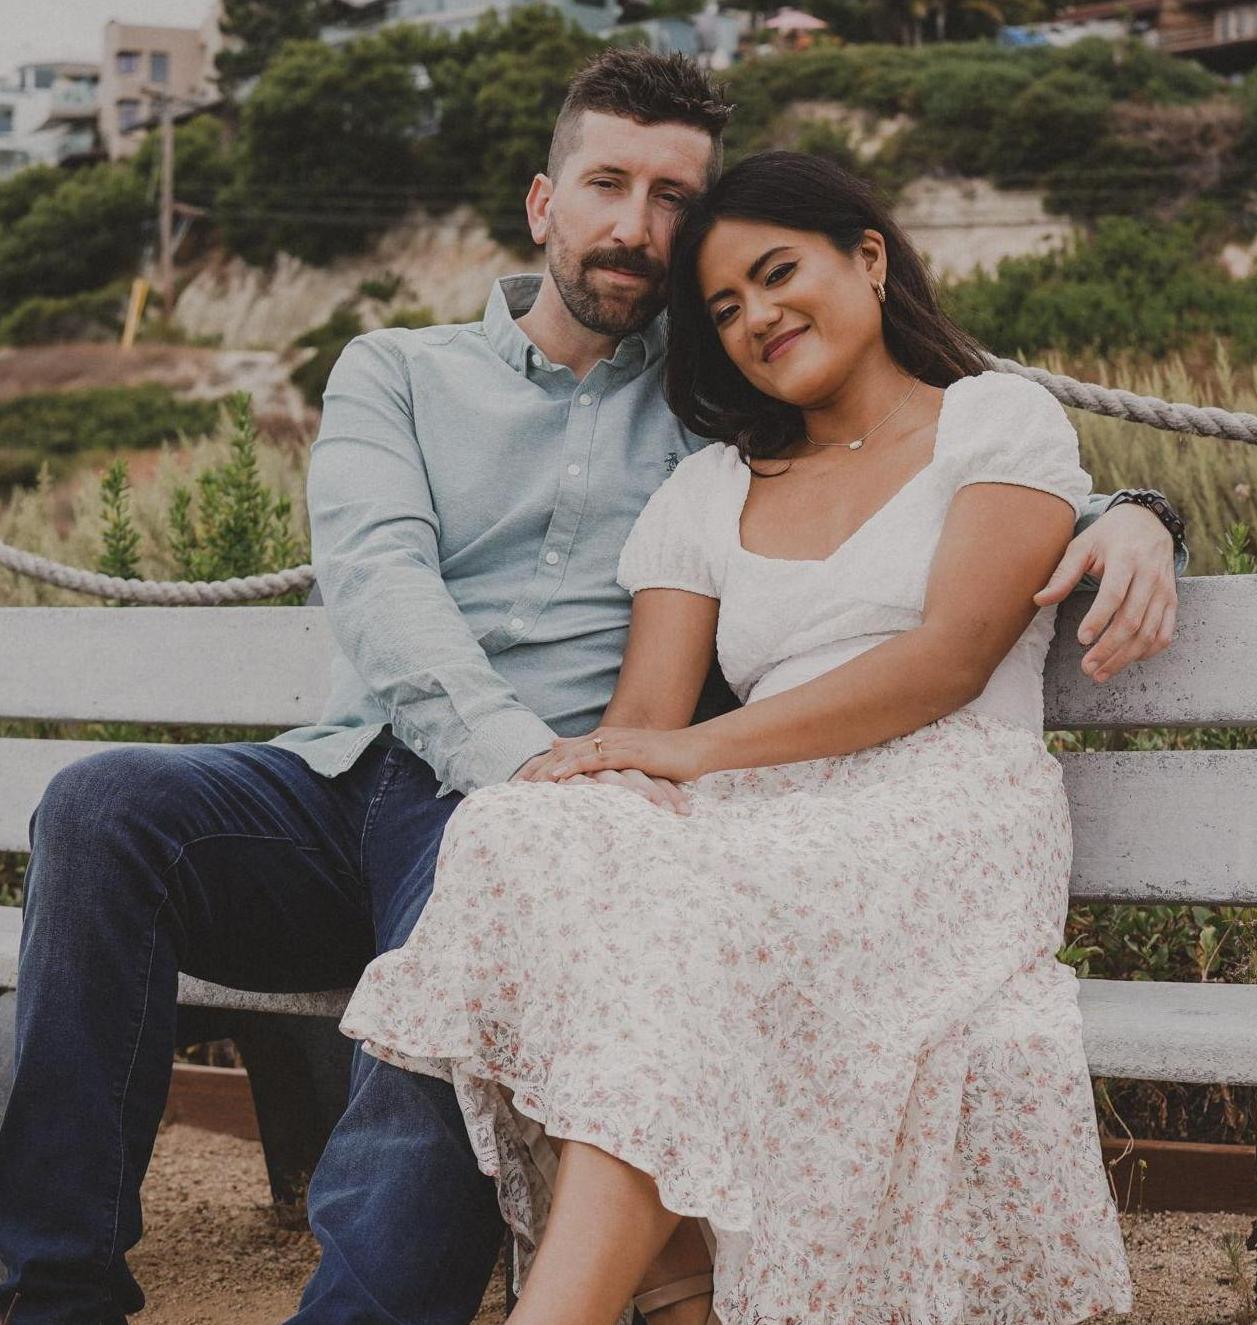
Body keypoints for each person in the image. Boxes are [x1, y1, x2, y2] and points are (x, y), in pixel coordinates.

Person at [0, 52, 1181, 1325]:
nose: (635, 225)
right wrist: (523, 765)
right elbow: (381, 586)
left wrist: (1134, 511)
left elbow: (922, 472)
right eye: (607, 184)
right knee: (105, 807)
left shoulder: (714, 404)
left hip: (564, 806)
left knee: (500, 866)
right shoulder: (395, 371)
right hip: (379, 769)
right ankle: (54, 1287)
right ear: (541, 201)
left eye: (673, 198)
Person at [340, 149, 1145, 1325]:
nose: (756, 318)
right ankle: (673, 1298)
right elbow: (642, 728)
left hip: (944, 807)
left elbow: (948, 657)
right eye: (722, 308)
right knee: (523, 835)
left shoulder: (992, 419)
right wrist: (600, 788)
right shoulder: (709, 489)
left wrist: (1143, 516)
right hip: (764, 812)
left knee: (675, 923)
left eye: (776, 275)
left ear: (866, 259)